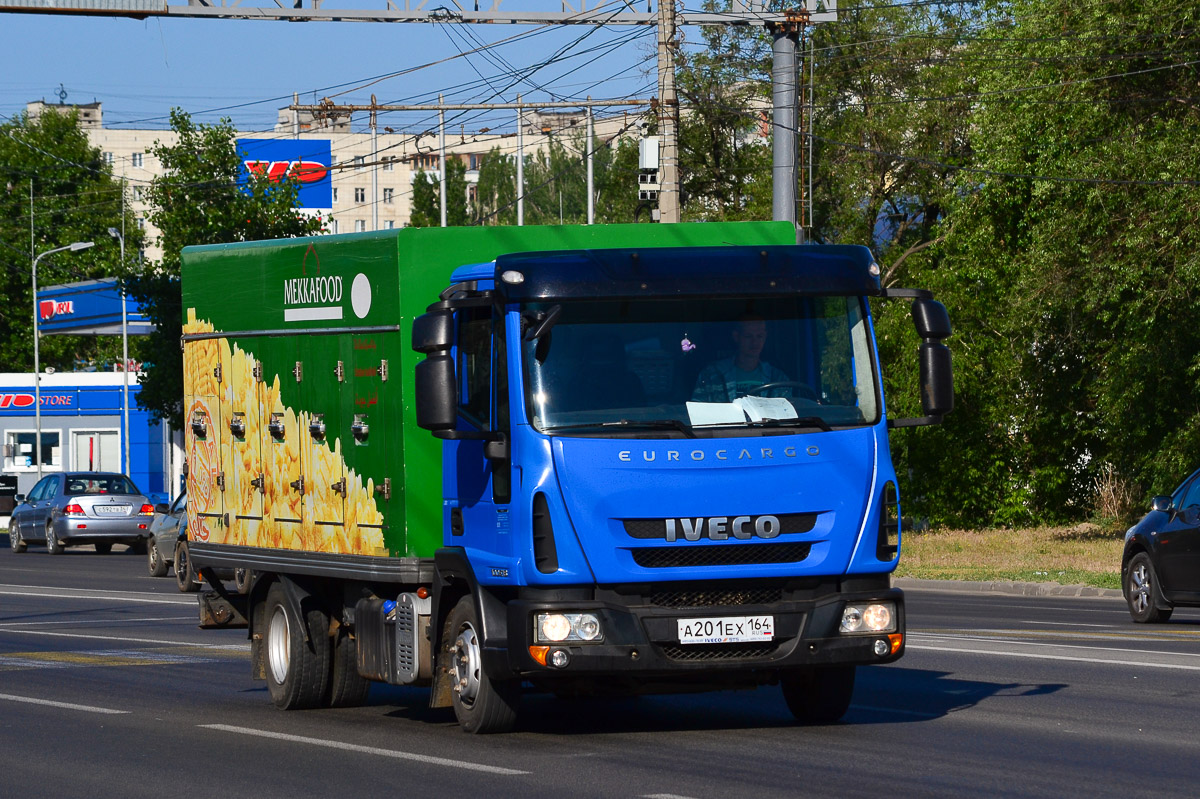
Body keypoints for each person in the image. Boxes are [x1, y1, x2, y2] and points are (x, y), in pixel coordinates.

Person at [692, 317, 791, 402]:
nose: (754, 342)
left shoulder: (778, 378)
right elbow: (699, 412)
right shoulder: (712, 375)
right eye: (748, 336)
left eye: (759, 336)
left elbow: (786, 416)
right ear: (736, 336)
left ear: (765, 337)